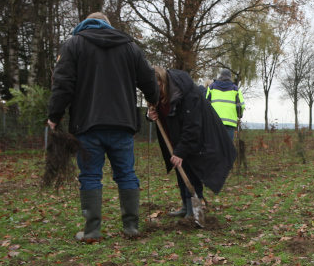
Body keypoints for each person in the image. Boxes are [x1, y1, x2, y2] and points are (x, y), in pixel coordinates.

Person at [47, 12, 159, 241]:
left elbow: (62, 83)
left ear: (85, 24)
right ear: (109, 25)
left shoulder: (73, 45)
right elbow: (148, 78)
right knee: (126, 174)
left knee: (89, 176)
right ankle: (131, 227)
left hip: (88, 124)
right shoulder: (129, 46)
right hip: (122, 123)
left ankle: (92, 230)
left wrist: (54, 115)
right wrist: (154, 101)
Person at [147, 66, 237, 218]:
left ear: (164, 82)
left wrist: (181, 151)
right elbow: (155, 111)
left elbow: (193, 126)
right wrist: (150, 113)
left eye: (158, 86)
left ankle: (195, 211)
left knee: (191, 171)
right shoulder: (157, 93)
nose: (156, 90)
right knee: (180, 170)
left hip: (197, 138)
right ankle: (185, 206)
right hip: (174, 138)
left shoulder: (187, 94)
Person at [206, 69, 244, 140]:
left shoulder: (212, 87)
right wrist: (239, 114)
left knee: (215, 145)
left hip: (215, 121)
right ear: (230, 77)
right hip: (230, 122)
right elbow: (241, 105)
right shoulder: (235, 88)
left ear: (220, 76)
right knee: (228, 147)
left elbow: (206, 103)